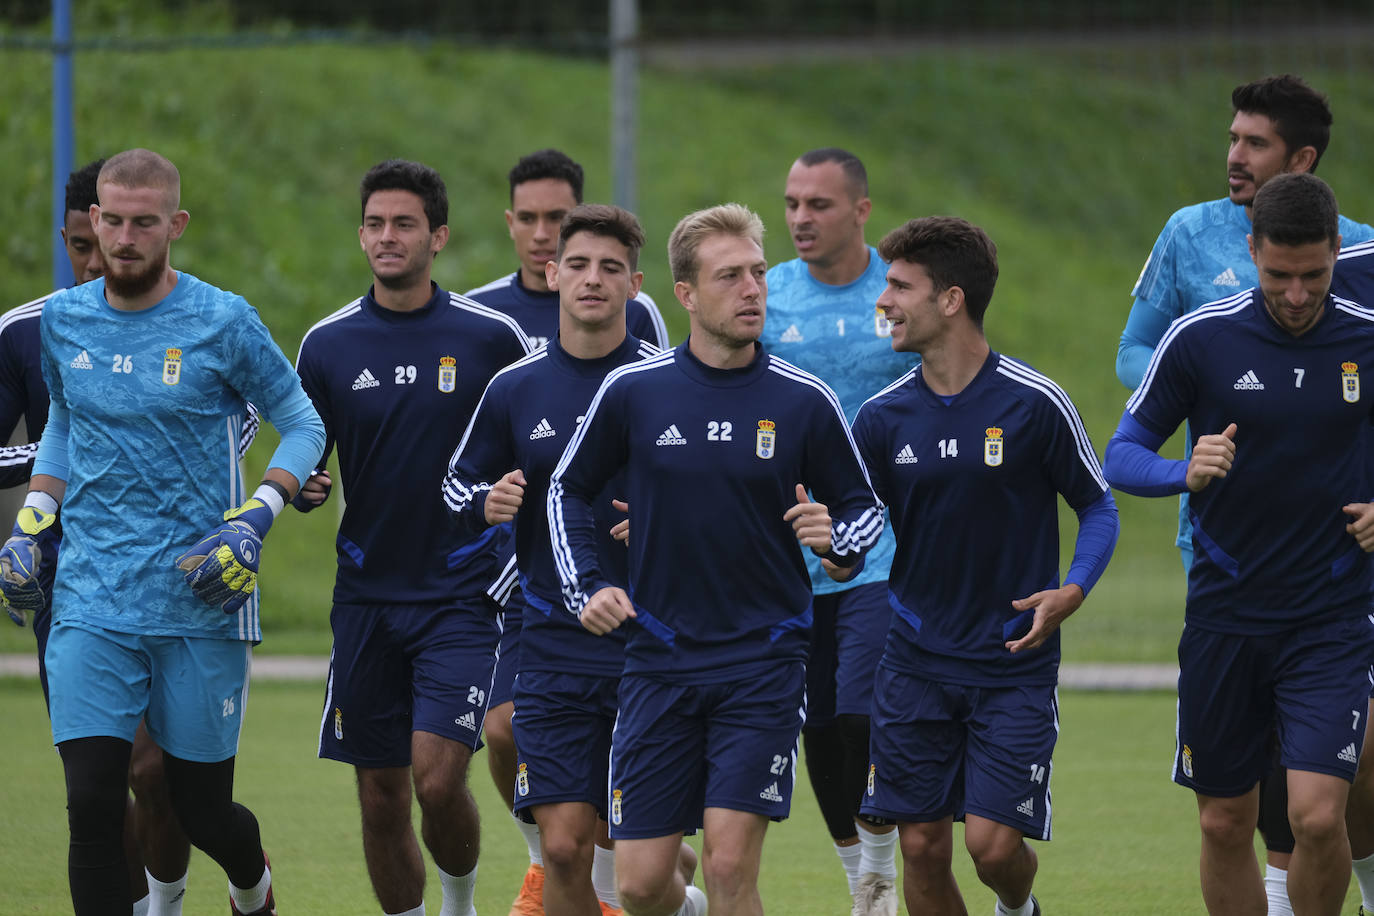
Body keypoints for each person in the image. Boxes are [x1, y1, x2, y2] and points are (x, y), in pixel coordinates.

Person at [0, 147, 325, 916]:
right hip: (90, 598)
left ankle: (253, 888)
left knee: (203, 810)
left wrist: (257, 518)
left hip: (200, 596)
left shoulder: (223, 321)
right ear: (92, 224)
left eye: (143, 223)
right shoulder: (64, 320)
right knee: (92, 808)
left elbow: (303, 422)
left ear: (174, 225)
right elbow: (64, 429)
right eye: (110, 221)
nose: (123, 237)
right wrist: (31, 523)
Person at [549, 203, 884, 916]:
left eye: (758, 273)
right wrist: (586, 587)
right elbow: (567, 489)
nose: (753, 290)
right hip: (657, 660)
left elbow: (864, 509)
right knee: (639, 888)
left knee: (732, 866)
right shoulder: (635, 392)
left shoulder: (803, 401)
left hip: (762, 662)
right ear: (687, 296)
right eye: (729, 276)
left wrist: (837, 544)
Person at [1115, 73, 1374, 913]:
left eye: (1314, 275)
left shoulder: (1366, 340)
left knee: (1317, 817)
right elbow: (1122, 454)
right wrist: (1180, 472)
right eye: (1279, 276)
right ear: (1252, 251)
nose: (1298, 296)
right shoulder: (1201, 340)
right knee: (1226, 821)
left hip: (1333, 616)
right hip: (1224, 610)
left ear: (1336, 251)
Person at [852, 216, 1117, 916]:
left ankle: (1017, 909)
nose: (884, 301)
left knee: (993, 848)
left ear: (951, 299)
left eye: (900, 285)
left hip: (1012, 663)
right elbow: (856, 525)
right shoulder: (881, 419)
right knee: (921, 850)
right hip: (912, 662)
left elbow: (1099, 508)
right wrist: (826, 534)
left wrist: (1072, 589)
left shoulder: (1034, 403)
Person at [293, 159, 531, 916]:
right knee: (379, 794)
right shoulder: (326, 344)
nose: (386, 237)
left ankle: (460, 905)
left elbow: (541, 447)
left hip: (461, 594)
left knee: (435, 777)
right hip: (365, 597)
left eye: (403, 224)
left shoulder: (492, 339)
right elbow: (305, 455)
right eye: (374, 224)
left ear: (439, 236)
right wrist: (305, 485)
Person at [445, 203, 674, 915]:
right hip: (548, 633)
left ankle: (683, 900)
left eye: (611, 268)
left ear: (635, 285)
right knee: (567, 846)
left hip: (650, 640)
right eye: (577, 265)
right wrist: (485, 500)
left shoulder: (665, 384)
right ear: (552, 273)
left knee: (632, 864)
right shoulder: (516, 386)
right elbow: (456, 481)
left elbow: (717, 497)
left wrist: (668, 520)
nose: (592, 280)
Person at [759, 147, 907, 915]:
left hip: (888, 548)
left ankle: (883, 857)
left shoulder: (903, 287)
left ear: (860, 210)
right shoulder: (768, 295)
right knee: (818, 721)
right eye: (790, 204)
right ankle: (866, 886)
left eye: (817, 204)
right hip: (788, 554)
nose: (799, 220)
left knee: (861, 707)